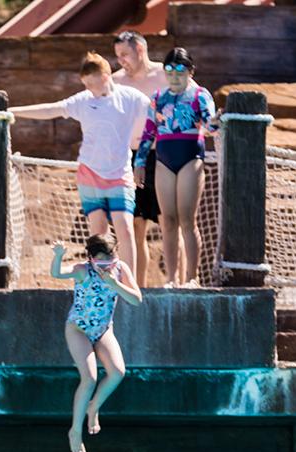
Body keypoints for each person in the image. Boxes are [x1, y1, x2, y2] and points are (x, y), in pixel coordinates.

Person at [10, 52, 149, 274]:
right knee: (98, 231)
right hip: (90, 174)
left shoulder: (131, 98)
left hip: (119, 174)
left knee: (125, 228)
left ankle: (127, 281)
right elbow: (52, 109)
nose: (90, 90)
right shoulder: (83, 101)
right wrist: (13, 112)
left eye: (93, 84)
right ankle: (100, 279)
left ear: (106, 76)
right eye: (86, 85)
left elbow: (156, 113)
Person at [50, 233, 142, 452]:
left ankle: (93, 407)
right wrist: (59, 256)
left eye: (110, 261)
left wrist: (114, 282)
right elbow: (56, 273)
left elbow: (136, 299)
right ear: (91, 258)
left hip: (103, 330)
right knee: (89, 378)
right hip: (78, 329)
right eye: (101, 263)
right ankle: (75, 431)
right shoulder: (83, 270)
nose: (107, 267)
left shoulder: (120, 270)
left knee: (118, 372)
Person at [134, 47, 218, 287]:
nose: (174, 75)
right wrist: (139, 162)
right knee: (167, 220)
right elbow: (149, 131)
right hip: (163, 161)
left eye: (180, 70)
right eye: (169, 70)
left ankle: (192, 277)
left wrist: (217, 122)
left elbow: (210, 126)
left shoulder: (200, 95)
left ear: (190, 71)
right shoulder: (159, 98)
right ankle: (171, 278)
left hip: (190, 158)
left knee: (187, 220)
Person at [113, 30, 168, 287]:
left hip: (163, 153)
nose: (121, 60)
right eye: (117, 56)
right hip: (129, 157)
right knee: (136, 224)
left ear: (140, 50)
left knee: (169, 221)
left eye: (124, 54)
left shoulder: (165, 74)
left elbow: (192, 100)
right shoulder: (115, 81)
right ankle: (139, 286)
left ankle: (178, 281)